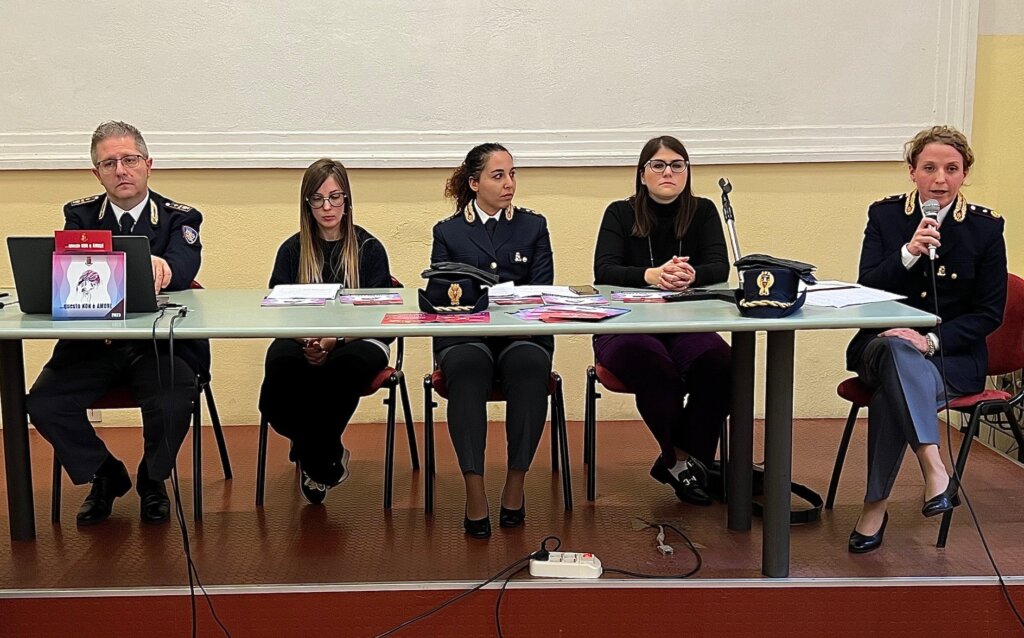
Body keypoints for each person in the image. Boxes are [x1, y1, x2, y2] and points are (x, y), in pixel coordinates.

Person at [27, 121, 208, 526]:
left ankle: (152, 478)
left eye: (130, 160)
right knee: (43, 403)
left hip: (155, 346)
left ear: (148, 164)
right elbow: (72, 272)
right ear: (97, 173)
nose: (121, 170)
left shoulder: (179, 217)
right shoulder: (80, 215)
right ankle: (105, 474)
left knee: (175, 396)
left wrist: (163, 266)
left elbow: (183, 268)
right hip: (93, 345)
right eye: (109, 163)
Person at [845, 125, 1007, 553]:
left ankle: (874, 506)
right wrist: (909, 252)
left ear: (965, 174)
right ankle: (934, 466)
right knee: (896, 348)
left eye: (951, 169)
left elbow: (989, 313)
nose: (940, 179)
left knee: (893, 390)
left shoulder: (985, 228)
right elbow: (867, 289)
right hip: (879, 346)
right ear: (912, 172)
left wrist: (930, 342)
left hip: (948, 357)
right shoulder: (885, 216)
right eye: (929, 168)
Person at [592, 135, 731, 506]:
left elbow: (720, 266)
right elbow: (604, 270)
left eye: (677, 165)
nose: (668, 172)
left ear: (687, 172)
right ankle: (680, 460)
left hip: (683, 322)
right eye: (658, 165)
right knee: (654, 365)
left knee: (720, 363)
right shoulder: (619, 213)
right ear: (642, 174)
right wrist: (651, 275)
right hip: (626, 324)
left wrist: (692, 275)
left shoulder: (703, 211)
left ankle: (689, 458)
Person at [431, 143, 554, 538]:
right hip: (466, 334)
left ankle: (515, 484)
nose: (509, 184)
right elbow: (445, 294)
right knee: (467, 369)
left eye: (512, 174)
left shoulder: (533, 226)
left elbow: (540, 291)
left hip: (521, 332)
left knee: (530, 366)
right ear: (474, 183)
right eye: (498, 175)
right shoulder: (448, 232)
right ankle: (474, 490)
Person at [259, 158, 393, 505]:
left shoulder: (369, 249)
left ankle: (311, 456)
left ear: (347, 199)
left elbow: (380, 317)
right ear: (307, 204)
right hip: (302, 338)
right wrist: (308, 340)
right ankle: (324, 452)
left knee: (340, 369)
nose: (327, 207)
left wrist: (336, 340)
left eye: (335, 197)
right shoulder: (291, 250)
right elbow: (278, 310)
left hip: (360, 340)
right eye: (317, 199)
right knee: (277, 377)